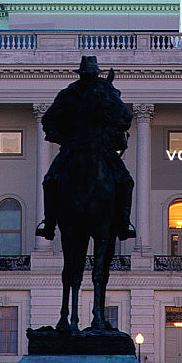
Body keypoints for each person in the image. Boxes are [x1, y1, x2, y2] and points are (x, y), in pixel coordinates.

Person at [35, 56, 136, 241]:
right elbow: (48, 119)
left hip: (101, 147)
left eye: (92, 74)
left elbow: (122, 116)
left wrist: (111, 134)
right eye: (87, 74)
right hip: (73, 147)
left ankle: (123, 223)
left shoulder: (105, 90)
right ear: (82, 75)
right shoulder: (70, 93)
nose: (90, 77)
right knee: (50, 180)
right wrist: (63, 138)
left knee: (125, 180)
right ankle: (49, 224)